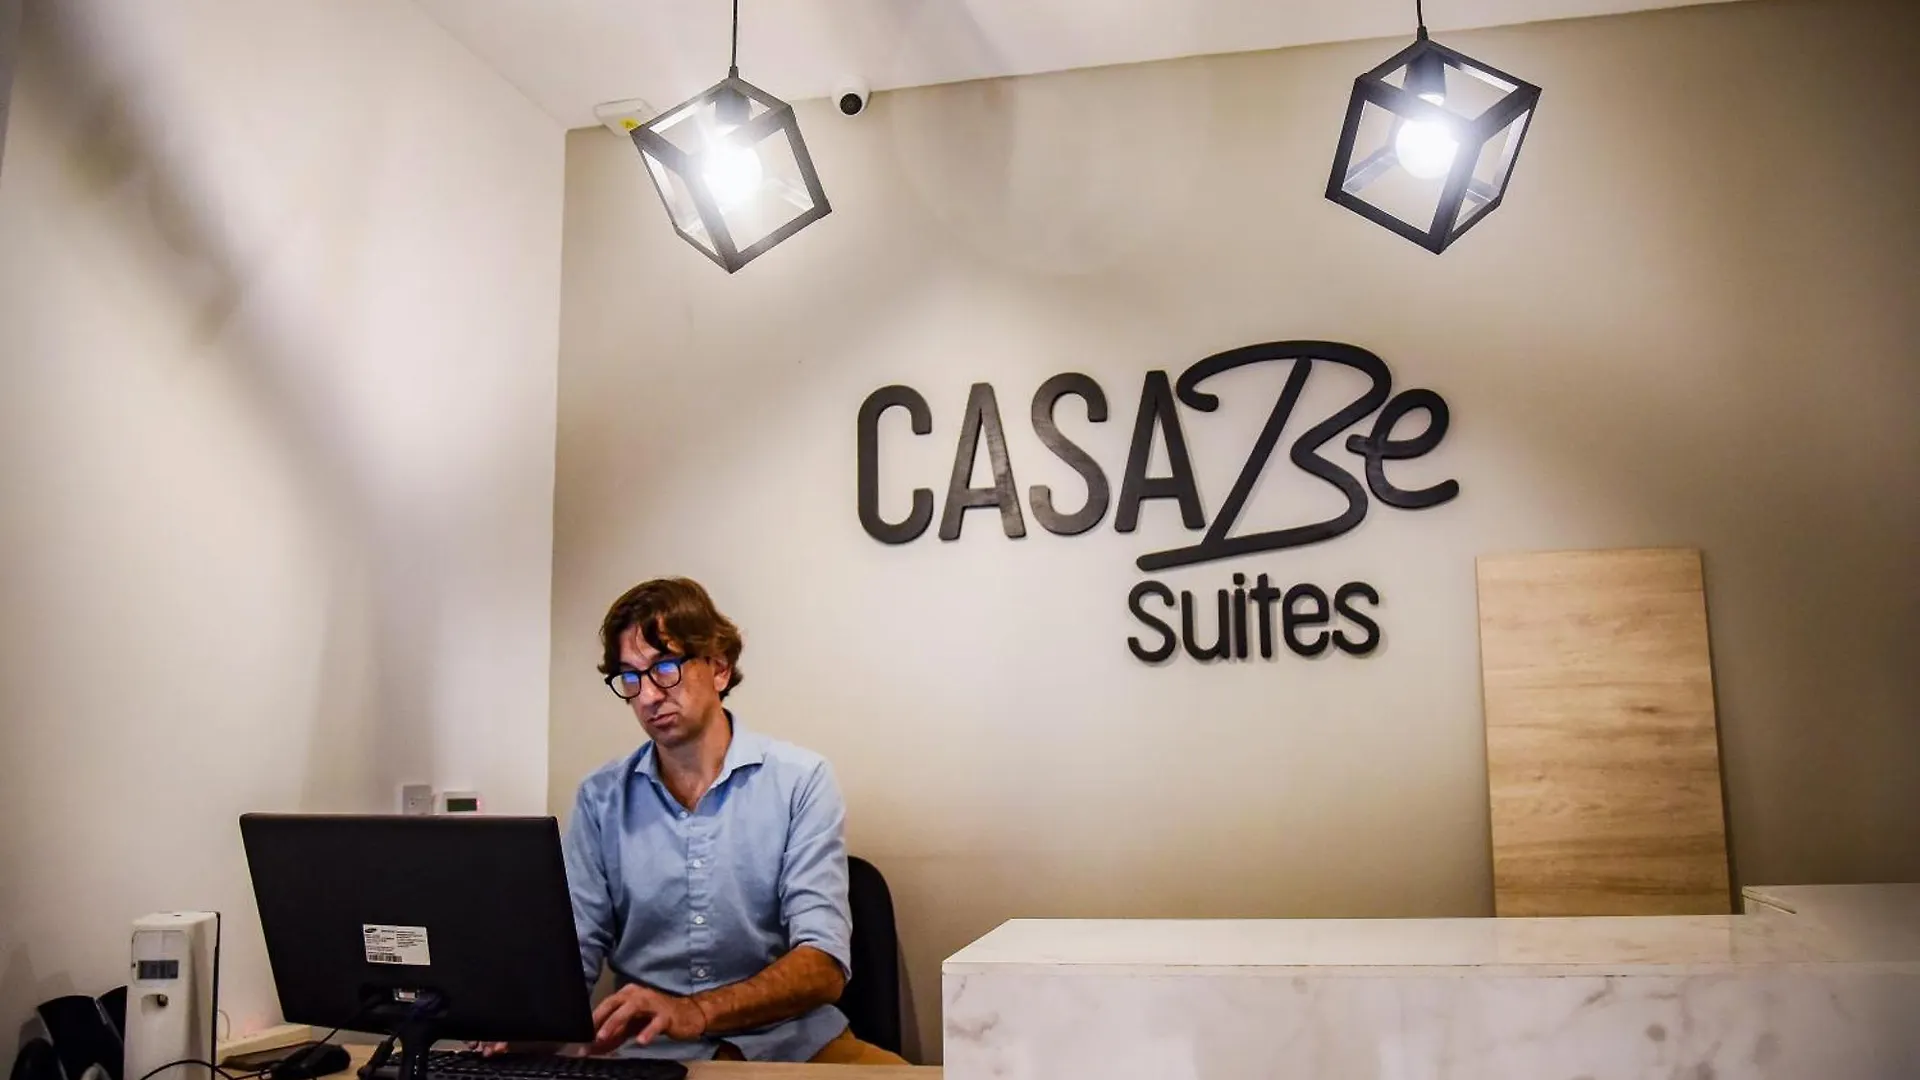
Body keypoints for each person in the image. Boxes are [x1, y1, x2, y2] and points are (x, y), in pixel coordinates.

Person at [557, 577, 905, 1065]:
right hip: (651, 1055)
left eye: (665, 668)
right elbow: (571, 951)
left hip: (793, 1045)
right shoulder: (601, 798)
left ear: (719, 668)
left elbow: (824, 965)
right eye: (630, 677)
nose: (648, 695)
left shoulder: (800, 781)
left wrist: (696, 1012)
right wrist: (520, 1023)